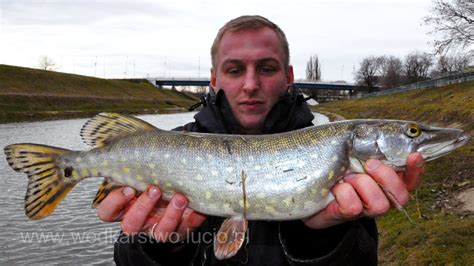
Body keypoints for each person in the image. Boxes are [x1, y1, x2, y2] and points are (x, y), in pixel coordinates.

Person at [97, 15, 424, 265]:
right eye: (235, 70)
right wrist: (159, 245)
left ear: (288, 78)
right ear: (214, 79)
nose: (251, 84)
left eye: (266, 69)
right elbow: (126, 259)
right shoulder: (178, 142)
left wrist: (325, 232)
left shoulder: (346, 168)